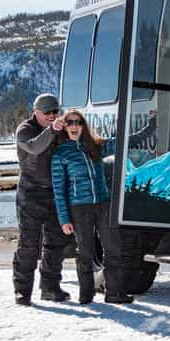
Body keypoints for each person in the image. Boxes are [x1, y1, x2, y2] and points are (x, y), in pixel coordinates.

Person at [50, 109, 134, 304]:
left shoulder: (95, 146)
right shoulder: (60, 154)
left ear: (83, 125)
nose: (74, 126)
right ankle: (86, 295)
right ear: (64, 127)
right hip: (80, 208)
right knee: (85, 252)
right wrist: (64, 219)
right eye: (69, 122)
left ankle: (114, 293)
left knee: (113, 249)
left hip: (103, 204)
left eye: (77, 122)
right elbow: (59, 191)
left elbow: (123, 141)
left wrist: (152, 126)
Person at [12, 93, 73, 306]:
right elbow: (35, 147)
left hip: (56, 193)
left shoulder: (60, 127)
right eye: (47, 112)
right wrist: (51, 130)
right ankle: (22, 291)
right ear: (36, 112)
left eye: (55, 111)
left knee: (57, 243)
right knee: (29, 244)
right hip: (30, 193)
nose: (52, 115)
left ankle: (50, 288)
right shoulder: (25, 130)